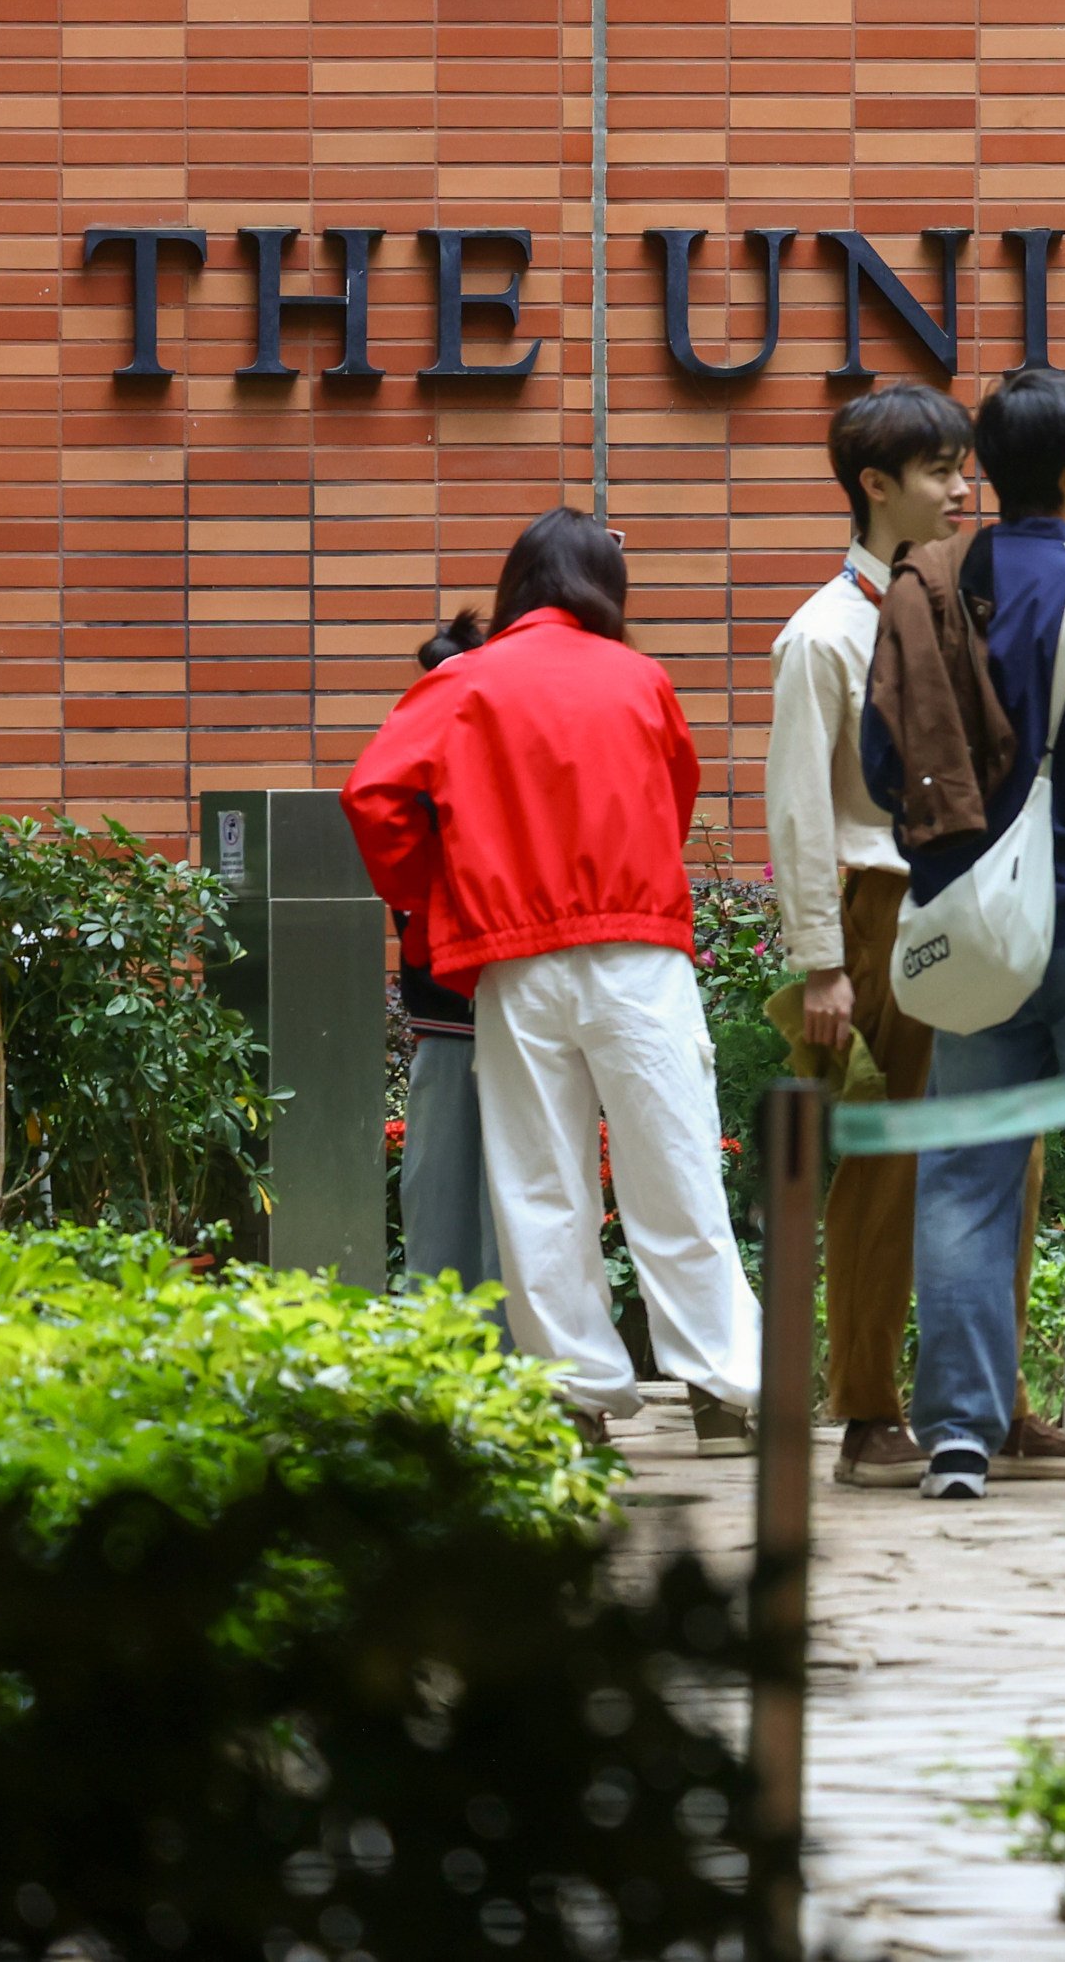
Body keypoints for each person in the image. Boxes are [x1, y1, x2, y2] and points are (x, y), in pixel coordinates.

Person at [342, 510, 761, 1449]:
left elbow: (373, 797)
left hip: (514, 963)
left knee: (541, 1186)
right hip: (635, 948)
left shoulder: (464, 681)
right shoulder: (641, 679)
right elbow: (675, 793)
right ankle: (722, 1388)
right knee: (678, 1167)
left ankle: (576, 1398)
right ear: (602, 589)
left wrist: (432, 899)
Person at [861, 367, 1065, 1502]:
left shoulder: (929, 582)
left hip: (972, 927)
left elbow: (884, 762)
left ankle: (955, 1433)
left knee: (965, 1179)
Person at [767, 383, 973, 1491]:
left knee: (1002, 1152)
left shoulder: (954, 607)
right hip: (882, 909)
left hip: (972, 906)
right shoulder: (823, 632)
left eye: (961, 466)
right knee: (886, 1168)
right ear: (876, 485)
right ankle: (867, 1405)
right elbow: (801, 811)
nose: (961, 488)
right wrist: (821, 964)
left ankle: (987, 1400)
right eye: (940, 470)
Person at [391, 611, 504, 1306]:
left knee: (446, 1201)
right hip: (480, 1010)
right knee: (497, 1205)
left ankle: (450, 1363)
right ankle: (500, 1368)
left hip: (458, 1008)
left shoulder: (426, 764)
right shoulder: (444, 769)